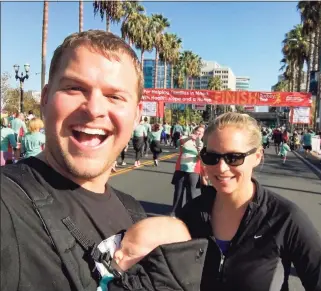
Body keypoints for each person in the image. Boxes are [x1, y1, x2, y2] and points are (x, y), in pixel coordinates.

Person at [1, 30, 205, 291]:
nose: (94, 109)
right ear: (45, 98)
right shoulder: (8, 206)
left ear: (136, 114)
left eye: (115, 96)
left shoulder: (132, 210)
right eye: (75, 88)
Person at [178, 112, 321, 291]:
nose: (222, 168)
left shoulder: (286, 218)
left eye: (234, 158)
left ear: (257, 157)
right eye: (212, 157)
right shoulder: (190, 214)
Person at [171, 125, 205, 216]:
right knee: (178, 193)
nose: (199, 133)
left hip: (194, 171)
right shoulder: (186, 138)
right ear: (194, 131)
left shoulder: (202, 144)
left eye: (201, 132)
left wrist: (199, 152)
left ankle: (190, 215)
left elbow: (203, 159)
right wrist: (190, 138)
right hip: (180, 169)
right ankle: (175, 214)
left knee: (192, 194)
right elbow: (178, 142)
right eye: (198, 131)